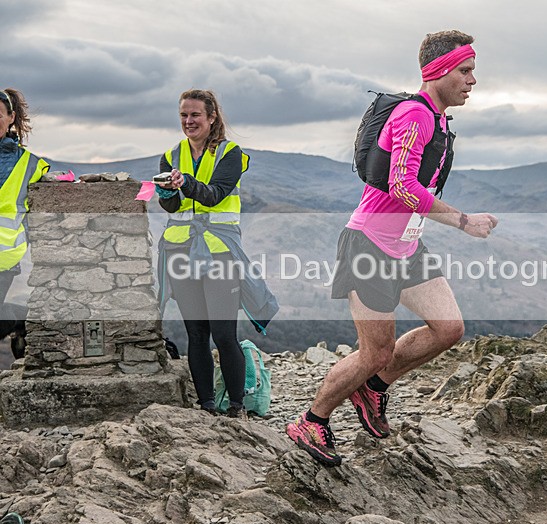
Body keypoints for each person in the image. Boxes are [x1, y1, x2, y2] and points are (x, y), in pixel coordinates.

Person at [286, 30, 498, 466]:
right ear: (439, 70)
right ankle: (312, 419)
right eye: (466, 70)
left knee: (449, 329)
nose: (473, 80)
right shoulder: (413, 115)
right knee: (375, 352)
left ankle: (373, 389)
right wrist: (463, 221)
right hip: (368, 246)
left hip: (405, 246)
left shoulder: (438, 119)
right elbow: (402, 185)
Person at [156, 89, 255, 419]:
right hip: (180, 250)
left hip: (219, 252)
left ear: (212, 118)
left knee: (225, 334)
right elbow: (170, 206)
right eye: (184, 114)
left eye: (195, 114)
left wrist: (184, 182)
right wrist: (167, 192)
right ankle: (207, 406)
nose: (188, 121)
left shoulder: (231, 153)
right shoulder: (171, 155)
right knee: (196, 333)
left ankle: (237, 407)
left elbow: (213, 196)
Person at [0, 88, 49, 334]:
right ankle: (19, 318)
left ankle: (19, 318)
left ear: (11, 118)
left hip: (4, 254)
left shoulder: (30, 164)